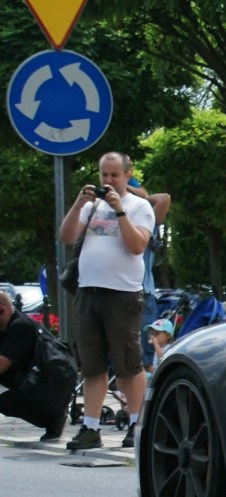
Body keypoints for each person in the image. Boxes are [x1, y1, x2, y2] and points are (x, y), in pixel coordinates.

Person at [58, 152, 156, 451]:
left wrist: (120, 211)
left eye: (115, 175)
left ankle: (138, 425)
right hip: (89, 292)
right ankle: (90, 428)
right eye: (104, 175)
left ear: (128, 175)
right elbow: (66, 237)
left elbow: (137, 245)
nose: (109, 181)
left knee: (128, 364)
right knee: (91, 366)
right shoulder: (92, 207)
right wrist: (79, 204)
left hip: (122, 295)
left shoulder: (139, 207)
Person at [0, 292, 68, 440]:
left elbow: (2, 363)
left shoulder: (20, 326)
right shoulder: (4, 328)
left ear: (2, 310)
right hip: (33, 377)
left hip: (51, 381)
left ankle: (53, 418)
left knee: (5, 403)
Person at [138, 192, 171, 373]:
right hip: (118, 292)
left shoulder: (146, 220)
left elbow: (164, 199)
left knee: (147, 348)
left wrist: (135, 193)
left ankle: (149, 390)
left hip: (143, 292)